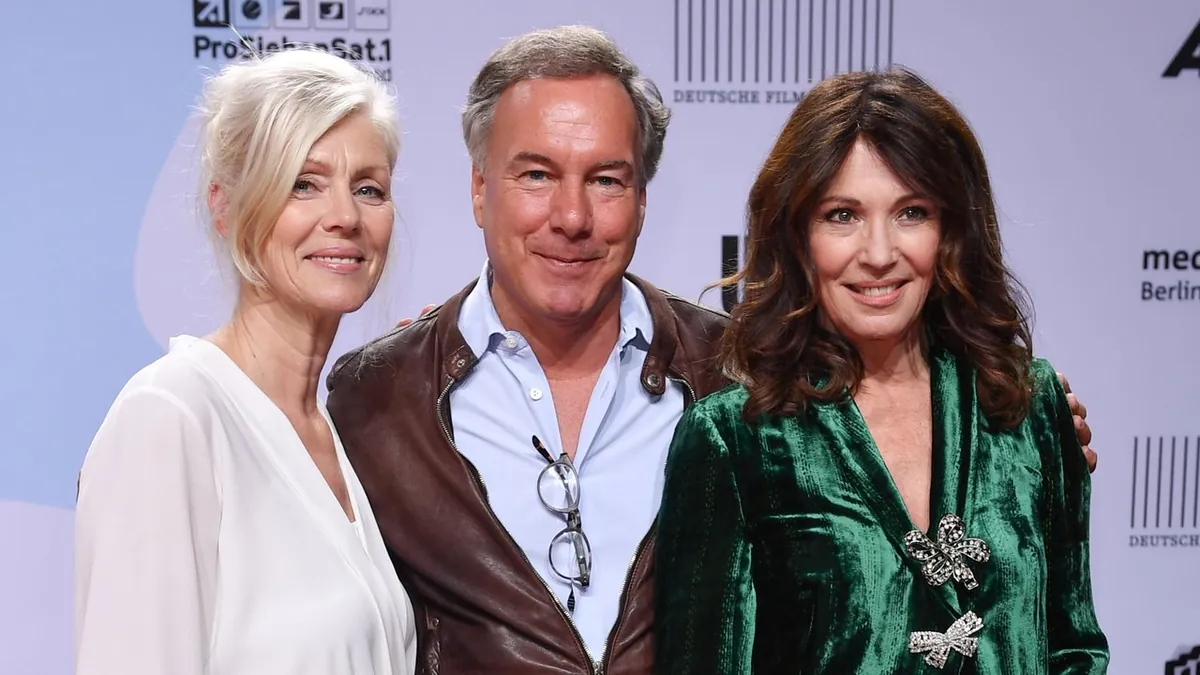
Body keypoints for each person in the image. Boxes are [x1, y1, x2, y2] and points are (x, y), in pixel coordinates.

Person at [325, 26, 1097, 674]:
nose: (572, 215)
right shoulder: (377, 396)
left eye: (606, 179)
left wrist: (1039, 434)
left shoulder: (736, 371)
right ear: (478, 188)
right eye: (536, 174)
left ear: (642, 198)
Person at [652, 67, 1109, 674]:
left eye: (911, 212)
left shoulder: (1030, 404)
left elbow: (1075, 648)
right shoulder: (736, 439)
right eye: (842, 215)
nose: (878, 254)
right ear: (798, 235)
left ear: (950, 230)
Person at [74, 48, 416, 675]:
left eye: (368, 188)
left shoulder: (335, 431)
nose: (345, 217)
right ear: (226, 207)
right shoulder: (170, 417)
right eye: (303, 184)